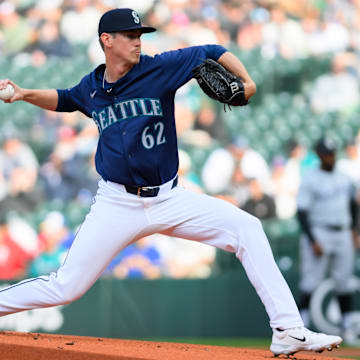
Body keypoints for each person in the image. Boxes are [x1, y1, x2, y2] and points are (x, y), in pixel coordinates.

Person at [0, 8, 342, 356]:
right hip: (116, 203)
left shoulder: (159, 68)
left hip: (169, 198)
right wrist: (24, 92)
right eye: (131, 35)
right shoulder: (92, 86)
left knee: (247, 228)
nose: (138, 41)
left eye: (140, 35)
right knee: (65, 287)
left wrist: (248, 80)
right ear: (107, 40)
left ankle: (287, 329)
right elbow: (64, 98)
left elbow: (210, 50)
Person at [297, 137, 360, 345]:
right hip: (319, 230)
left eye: (331, 153)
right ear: (318, 154)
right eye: (325, 153)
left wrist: (354, 231)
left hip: (342, 232)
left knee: (344, 282)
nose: (329, 157)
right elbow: (302, 212)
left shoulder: (344, 177)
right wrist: (312, 239)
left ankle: (348, 328)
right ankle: (299, 327)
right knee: (310, 281)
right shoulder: (310, 178)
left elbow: (353, 205)